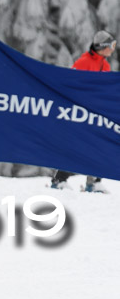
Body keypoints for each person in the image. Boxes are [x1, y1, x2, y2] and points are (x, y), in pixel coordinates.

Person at [50, 30, 116, 193]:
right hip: (79, 113)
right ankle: (59, 180)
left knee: (99, 145)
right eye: (111, 45)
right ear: (103, 47)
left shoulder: (105, 65)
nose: (113, 49)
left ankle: (93, 182)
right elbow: (71, 84)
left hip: (95, 113)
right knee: (76, 146)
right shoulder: (83, 62)